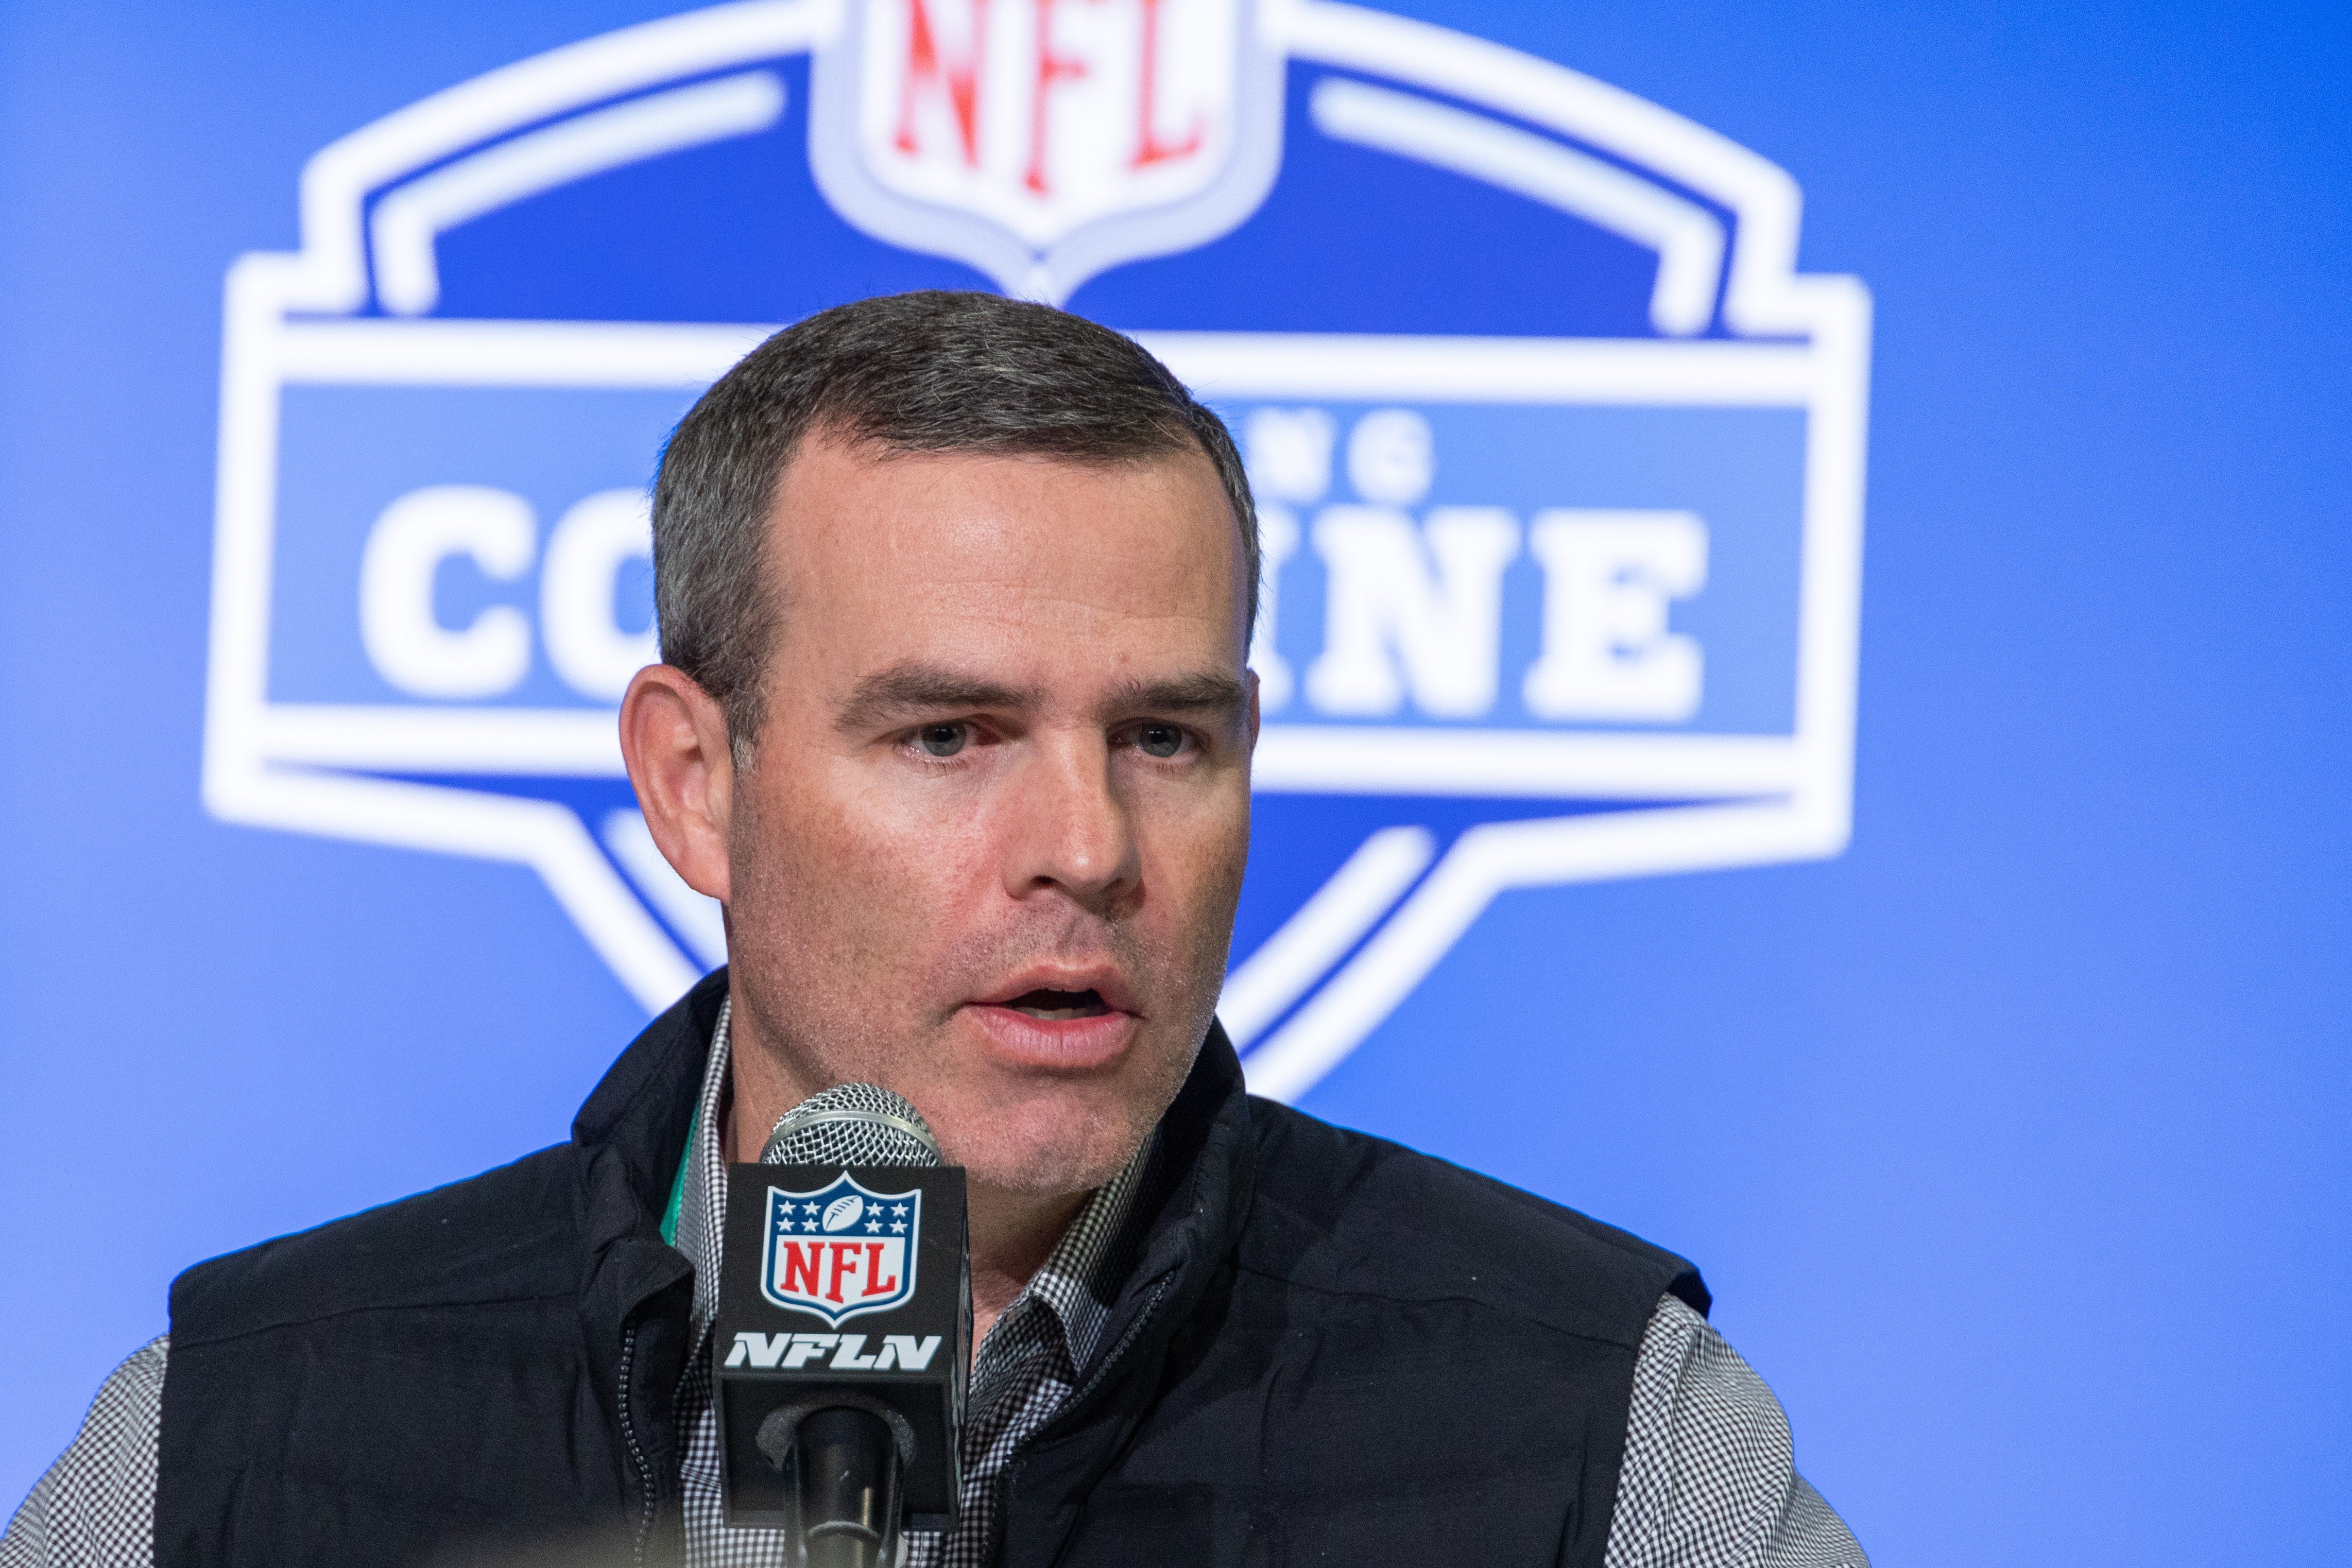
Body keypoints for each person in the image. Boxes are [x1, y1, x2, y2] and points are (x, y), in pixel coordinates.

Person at [3, 292, 1866, 1568]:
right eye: (948, 735)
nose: (1088, 847)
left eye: (1163, 737)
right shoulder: (244, 1438)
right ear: (694, 781)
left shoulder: (1603, 1436)